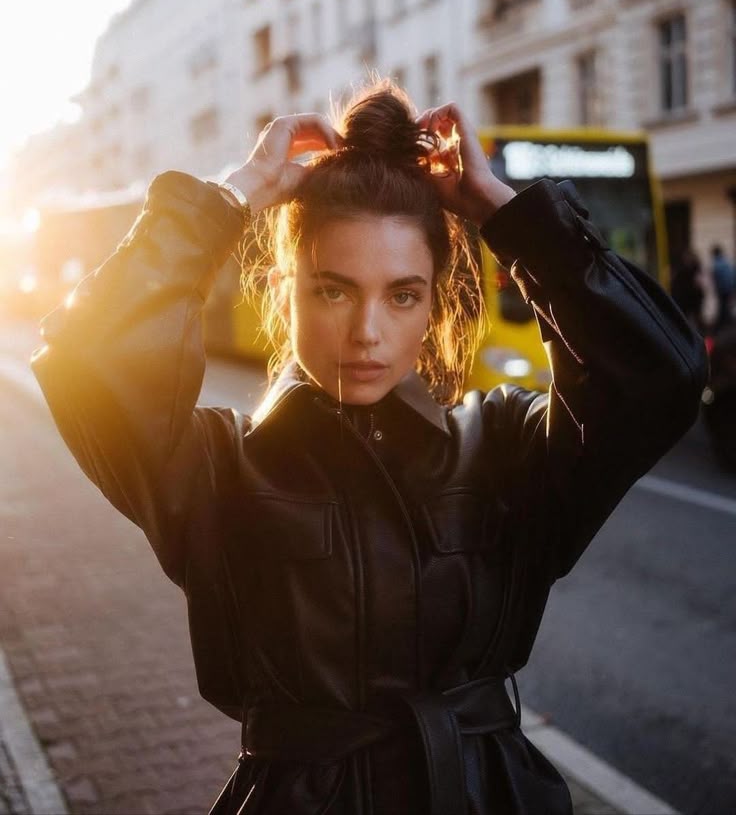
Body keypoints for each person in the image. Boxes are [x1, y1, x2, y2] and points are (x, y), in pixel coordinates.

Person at [30, 81, 708, 815]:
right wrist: (237, 194)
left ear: (435, 300)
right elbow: (86, 363)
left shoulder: (507, 451)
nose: (367, 331)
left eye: (402, 293)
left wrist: (512, 218)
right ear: (282, 288)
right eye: (333, 290)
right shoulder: (215, 469)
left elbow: (661, 376)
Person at [670, 248, 705, 333]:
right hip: (688, 299)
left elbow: (699, 284)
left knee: (693, 319)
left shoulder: (691, 269)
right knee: (688, 318)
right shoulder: (688, 269)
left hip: (692, 298)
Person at [710, 244, 734, 333]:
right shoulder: (726, 262)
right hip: (728, 288)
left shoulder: (716, 264)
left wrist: (716, 289)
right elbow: (732, 275)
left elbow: (715, 278)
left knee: (722, 307)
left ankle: (722, 325)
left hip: (722, 289)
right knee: (725, 306)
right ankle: (726, 323)